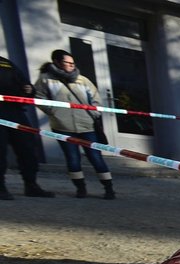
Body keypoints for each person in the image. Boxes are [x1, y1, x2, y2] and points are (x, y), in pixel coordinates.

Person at [33, 49, 115, 199]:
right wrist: (53, 111)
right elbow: (38, 98)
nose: (71, 65)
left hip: (86, 125)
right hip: (62, 126)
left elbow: (96, 98)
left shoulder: (82, 80)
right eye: (67, 63)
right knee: (72, 158)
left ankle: (109, 188)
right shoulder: (45, 80)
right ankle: (80, 188)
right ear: (57, 62)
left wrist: (94, 113)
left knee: (96, 157)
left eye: (73, 63)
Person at [0, 55, 56, 200]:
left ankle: (31, 184)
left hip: (14, 111)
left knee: (28, 148)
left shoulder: (5, 63)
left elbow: (25, 84)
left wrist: (27, 89)